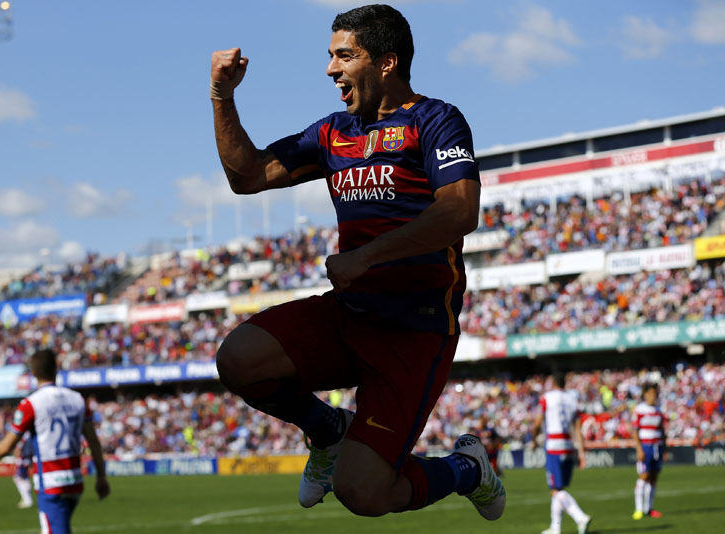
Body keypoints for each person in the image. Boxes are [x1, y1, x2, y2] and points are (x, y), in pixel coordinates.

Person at [210, 3, 504, 520]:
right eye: (331, 56)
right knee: (237, 358)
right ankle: (327, 430)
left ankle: (467, 469)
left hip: (414, 331)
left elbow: (460, 210)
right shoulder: (332, 132)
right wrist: (222, 96)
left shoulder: (436, 120)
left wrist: (367, 256)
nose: (331, 69)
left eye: (344, 56)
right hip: (349, 316)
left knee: (363, 494)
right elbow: (247, 176)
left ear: (386, 62)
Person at [0, 349, 110, 534]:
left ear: (33, 373)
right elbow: (93, 442)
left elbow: (8, 445)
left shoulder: (31, 404)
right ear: (56, 369)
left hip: (51, 482)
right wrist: (101, 477)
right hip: (74, 480)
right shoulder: (78, 400)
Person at [531, 372, 592, 534]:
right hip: (568, 445)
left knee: (555, 490)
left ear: (552, 383)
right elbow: (578, 428)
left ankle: (580, 517)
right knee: (559, 488)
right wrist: (581, 453)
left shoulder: (547, 398)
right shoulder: (572, 399)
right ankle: (555, 528)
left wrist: (533, 440)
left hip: (553, 445)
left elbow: (537, 423)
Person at [632, 382, 665, 520]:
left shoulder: (658, 410)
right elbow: (635, 431)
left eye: (655, 393)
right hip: (646, 446)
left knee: (653, 477)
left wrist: (665, 448)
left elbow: (662, 430)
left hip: (658, 446)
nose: (653, 396)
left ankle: (648, 508)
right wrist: (639, 449)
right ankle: (638, 509)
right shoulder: (639, 409)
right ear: (645, 394)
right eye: (651, 393)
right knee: (644, 476)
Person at [13, 431, 34, 509]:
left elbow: (18, 449)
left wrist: (17, 458)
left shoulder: (24, 436)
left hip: (23, 459)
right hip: (26, 459)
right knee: (21, 478)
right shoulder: (29, 436)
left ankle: (27, 500)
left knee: (19, 478)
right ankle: (27, 499)